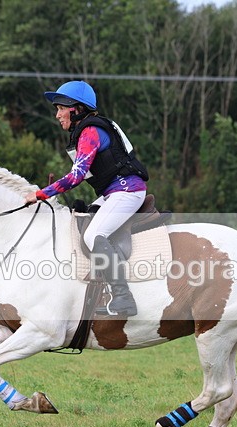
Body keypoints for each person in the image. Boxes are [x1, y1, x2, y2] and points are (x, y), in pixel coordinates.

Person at [25, 80, 150, 316]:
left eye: (61, 108)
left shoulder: (91, 132)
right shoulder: (86, 131)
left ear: (77, 109)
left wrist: (41, 194)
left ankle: (123, 298)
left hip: (127, 190)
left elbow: (76, 177)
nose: (58, 115)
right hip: (114, 192)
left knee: (94, 235)